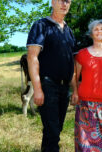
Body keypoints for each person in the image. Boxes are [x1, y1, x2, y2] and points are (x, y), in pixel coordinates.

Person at [26, 0, 77, 151]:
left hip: (64, 87)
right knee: (52, 130)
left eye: (67, 1)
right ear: (52, 2)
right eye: (60, 0)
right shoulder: (41, 25)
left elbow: (72, 62)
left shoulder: (69, 30)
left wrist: (75, 89)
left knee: (56, 128)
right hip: (48, 84)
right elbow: (32, 57)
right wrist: (38, 89)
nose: (64, 4)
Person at [71, 19, 102, 152]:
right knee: (86, 140)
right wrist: (75, 93)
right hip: (86, 103)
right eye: (96, 29)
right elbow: (75, 76)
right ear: (91, 34)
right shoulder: (82, 54)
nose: (100, 31)